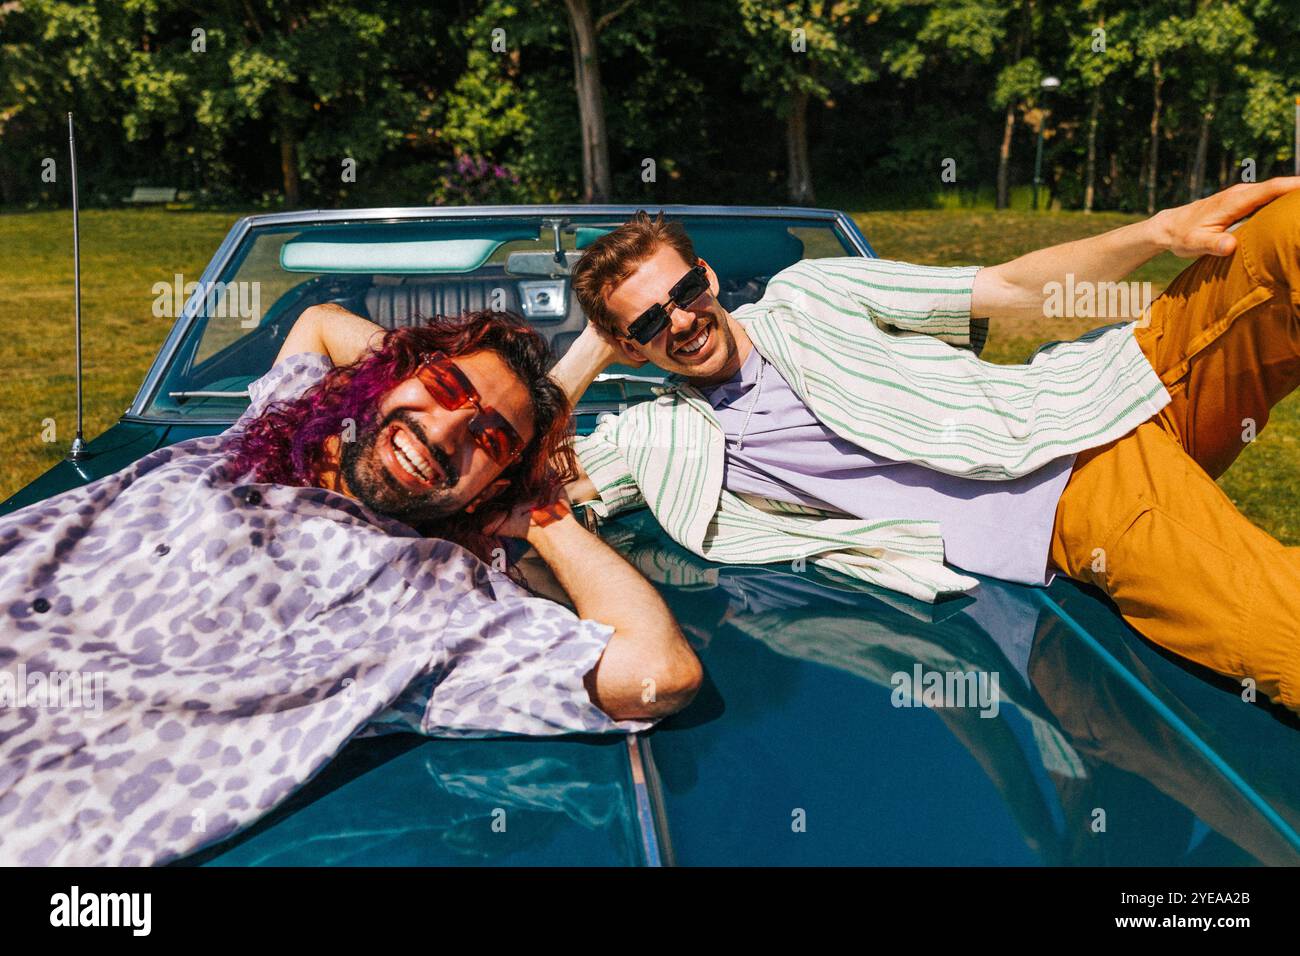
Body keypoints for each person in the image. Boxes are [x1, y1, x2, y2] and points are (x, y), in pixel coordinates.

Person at [549, 178, 1300, 713]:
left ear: (707, 276)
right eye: (648, 325)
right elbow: (517, 468)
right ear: (629, 346)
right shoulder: (658, 434)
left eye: (684, 294)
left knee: (1284, 232)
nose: (680, 322)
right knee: (1281, 633)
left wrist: (1159, 234)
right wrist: (592, 347)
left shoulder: (816, 293)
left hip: (1107, 382)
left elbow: (1005, 289)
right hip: (1078, 486)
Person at [0, 307, 700, 865]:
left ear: (493, 491)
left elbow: (659, 672)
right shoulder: (280, 427)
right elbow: (320, 321)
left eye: (490, 441)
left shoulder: (430, 597)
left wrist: (543, 511)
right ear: (392, 375)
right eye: (449, 388)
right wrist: (403, 375)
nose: (446, 431)